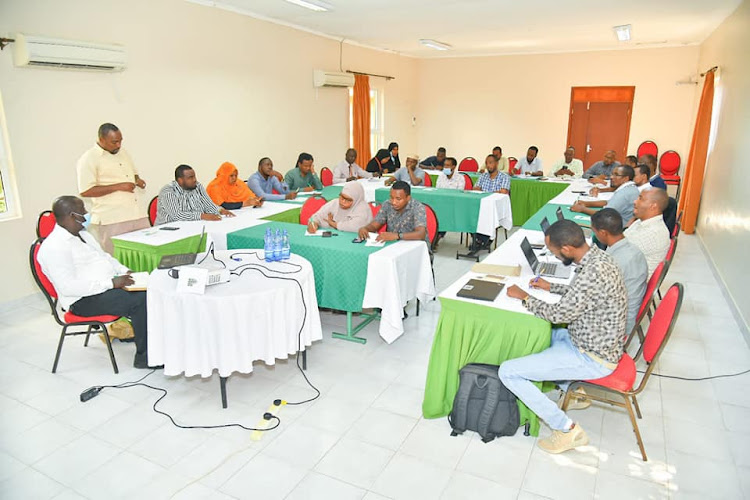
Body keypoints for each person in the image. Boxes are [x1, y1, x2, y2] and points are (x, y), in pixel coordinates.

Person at [500, 220, 627, 454]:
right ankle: (574, 392)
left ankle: (567, 430)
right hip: (593, 339)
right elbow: (583, 295)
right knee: (549, 335)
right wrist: (551, 288)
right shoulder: (597, 257)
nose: (554, 256)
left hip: (593, 356)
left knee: (508, 371)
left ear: (567, 249)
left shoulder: (593, 272)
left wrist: (524, 297)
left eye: (554, 252)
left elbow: (559, 314)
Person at [37, 196, 154, 369]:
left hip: (101, 289)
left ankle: (153, 342)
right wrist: (111, 283)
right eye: (83, 211)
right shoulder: (55, 247)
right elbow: (68, 287)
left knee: (151, 288)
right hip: (82, 300)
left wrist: (124, 271)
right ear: (71, 216)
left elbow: (105, 258)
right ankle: (145, 358)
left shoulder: (83, 235)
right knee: (139, 299)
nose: (86, 214)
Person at [76, 123, 150, 254]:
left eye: (120, 141)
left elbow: (133, 173)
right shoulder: (89, 158)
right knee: (118, 260)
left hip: (137, 214)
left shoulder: (123, 153)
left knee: (146, 254)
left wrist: (137, 180)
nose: (118, 145)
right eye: (114, 142)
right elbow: (86, 190)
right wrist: (119, 186)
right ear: (101, 139)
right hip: (112, 219)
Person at [591, 208, 648, 335]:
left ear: (603, 233)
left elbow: (593, 295)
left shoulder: (615, 261)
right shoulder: (631, 249)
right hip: (626, 310)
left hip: (617, 324)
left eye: (594, 232)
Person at [357, 181, 429, 249]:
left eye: (398, 199)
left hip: (415, 247)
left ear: (408, 198)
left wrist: (397, 236)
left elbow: (421, 234)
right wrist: (365, 229)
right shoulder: (387, 204)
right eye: (391, 197)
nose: (394, 202)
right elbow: (374, 225)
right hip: (393, 245)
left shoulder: (417, 207)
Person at [155, 165, 233, 225]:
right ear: (180, 180)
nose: (194, 180)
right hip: (169, 229)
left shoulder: (197, 186)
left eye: (194, 176)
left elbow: (209, 205)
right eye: (190, 177)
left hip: (194, 225)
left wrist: (221, 211)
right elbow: (177, 216)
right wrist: (202, 216)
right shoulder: (168, 191)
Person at [625, 188, 671, 276]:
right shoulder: (642, 221)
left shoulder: (653, 233)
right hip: (628, 272)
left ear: (653, 206)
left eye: (640, 198)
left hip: (630, 283)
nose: (635, 201)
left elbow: (618, 254)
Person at [571, 165, 639, 223]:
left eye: (616, 175)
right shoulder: (631, 188)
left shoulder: (623, 193)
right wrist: (586, 203)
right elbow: (609, 202)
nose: (611, 177)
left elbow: (605, 215)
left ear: (626, 178)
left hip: (617, 228)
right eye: (612, 174)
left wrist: (582, 209)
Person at [470, 155, 510, 251]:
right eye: (487, 163)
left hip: (496, 207)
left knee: (488, 214)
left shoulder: (504, 177)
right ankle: (478, 239)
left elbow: (503, 192)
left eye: (491, 162)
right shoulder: (483, 176)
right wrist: (495, 191)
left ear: (497, 163)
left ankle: (484, 239)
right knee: (471, 213)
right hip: (482, 205)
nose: (488, 165)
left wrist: (484, 191)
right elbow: (475, 189)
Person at [307, 181, 373, 233]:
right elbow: (318, 216)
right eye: (341, 197)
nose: (342, 201)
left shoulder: (363, 209)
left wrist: (334, 224)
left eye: (348, 200)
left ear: (356, 199)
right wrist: (313, 223)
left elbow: (356, 227)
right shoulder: (335, 203)